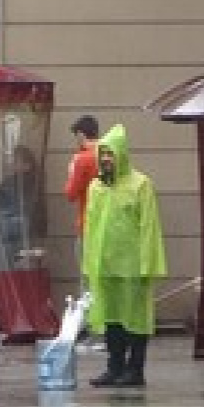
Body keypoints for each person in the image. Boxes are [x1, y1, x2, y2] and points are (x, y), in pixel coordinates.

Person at [81, 125, 166, 388]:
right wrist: (89, 263)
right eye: (103, 153)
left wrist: (148, 263)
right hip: (105, 267)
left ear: (122, 155)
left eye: (111, 153)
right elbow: (91, 227)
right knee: (112, 319)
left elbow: (149, 226)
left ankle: (135, 368)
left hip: (132, 267)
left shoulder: (141, 185)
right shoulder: (96, 187)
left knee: (136, 319)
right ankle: (114, 366)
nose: (106, 158)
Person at [61, 115, 101, 244]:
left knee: (84, 260)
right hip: (109, 222)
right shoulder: (109, 155)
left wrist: (72, 169)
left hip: (88, 221)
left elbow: (70, 194)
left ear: (80, 134)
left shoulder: (82, 158)